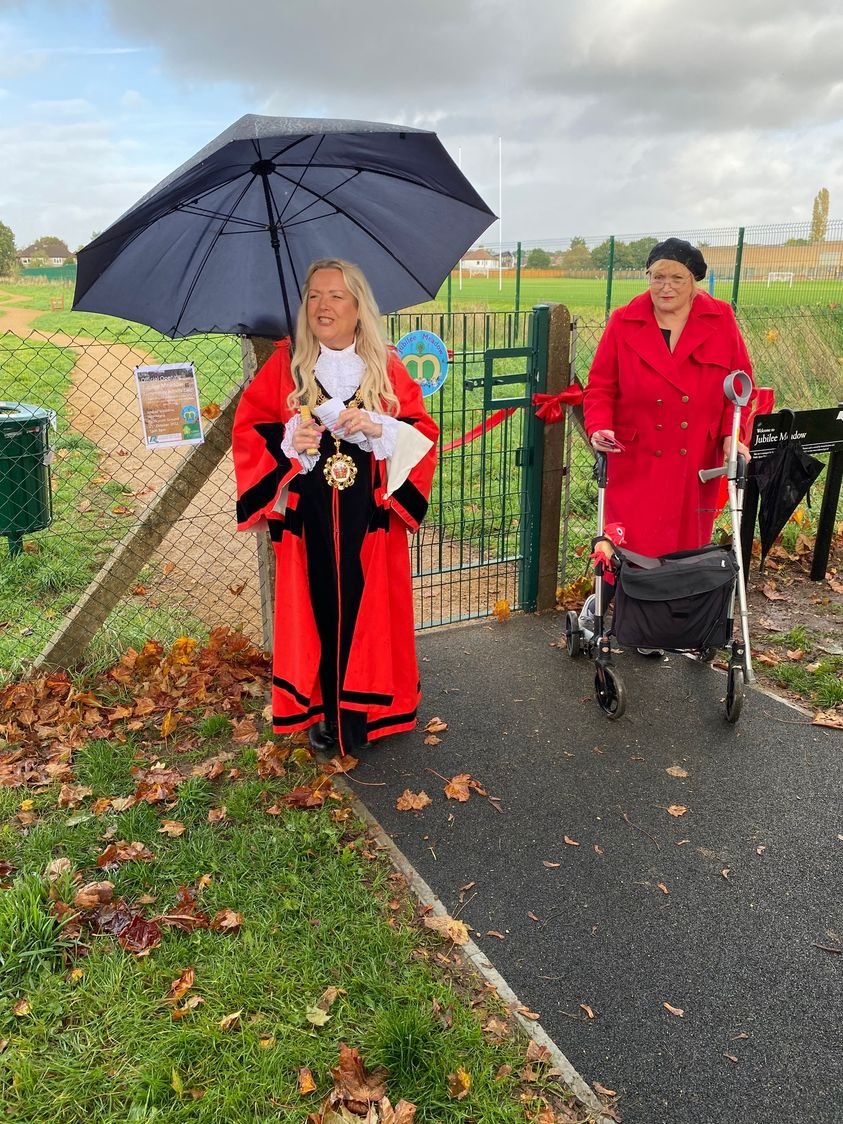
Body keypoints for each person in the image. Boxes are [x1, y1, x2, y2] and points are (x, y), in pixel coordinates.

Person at [232, 258, 438, 755]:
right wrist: (288, 442)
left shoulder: (387, 367)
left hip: (369, 518)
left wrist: (381, 429)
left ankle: (362, 711)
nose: (323, 306)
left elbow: (423, 435)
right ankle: (323, 712)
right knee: (318, 609)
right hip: (311, 518)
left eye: (336, 296)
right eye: (314, 296)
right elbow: (248, 431)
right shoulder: (287, 364)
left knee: (367, 611)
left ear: (358, 308)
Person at [583, 237, 755, 559]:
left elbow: (742, 388)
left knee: (685, 551)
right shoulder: (623, 321)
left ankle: (683, 607)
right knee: (633, 550)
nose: (666, 286)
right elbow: (600, 387)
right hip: (637, 460)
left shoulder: (720, 319)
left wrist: (733, 435)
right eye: (657, 277)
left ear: (694, 283)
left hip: (695, 462)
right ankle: (631, 606)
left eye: (677, 278)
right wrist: (599, 426)